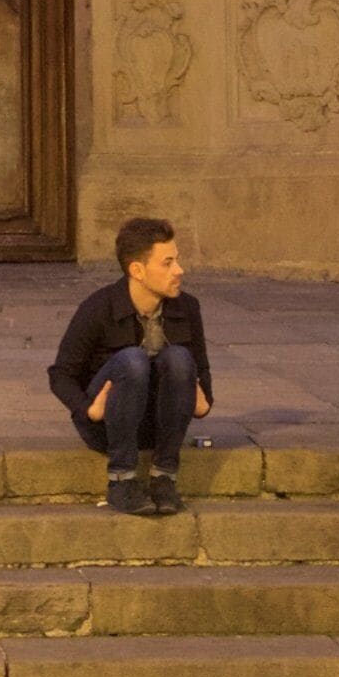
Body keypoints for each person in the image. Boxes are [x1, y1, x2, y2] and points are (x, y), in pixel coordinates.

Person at [48, 217, 211, 518]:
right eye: (168, 263)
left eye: (177, 260)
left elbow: (200, 366)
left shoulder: (187, 307)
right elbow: (60, 374)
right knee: (132, 361)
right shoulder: (99, 308)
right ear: (137, 270)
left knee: (179, 358)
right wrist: (88, 409)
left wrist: (203, 400)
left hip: (157, 426)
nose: (179, 270)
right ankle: (121, 481)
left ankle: (164, 478)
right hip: (108, 427)